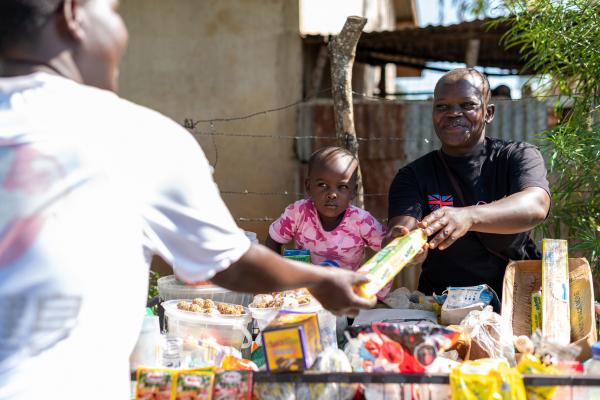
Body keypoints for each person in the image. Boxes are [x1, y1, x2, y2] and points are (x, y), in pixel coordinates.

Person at [0, 1, 374, 399]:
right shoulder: (136, 138)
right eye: (113, 11)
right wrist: (320, 280)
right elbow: (231, 265)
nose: (122, 33)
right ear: (73, 13)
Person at [386, 68, 551, 299]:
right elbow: (404, 227)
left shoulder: (517, 156)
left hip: (517, 301)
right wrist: (404, 246)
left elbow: (536, 205)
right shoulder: (413, 175)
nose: (453, 113)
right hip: (441, 305)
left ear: (488, 112)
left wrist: (467, 217)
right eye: (442, 106)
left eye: (467, 105)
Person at [266, 147, 389, 298]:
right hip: (304, 295)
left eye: (342, 187)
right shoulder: (298, 213)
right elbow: (274, 239)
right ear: (308, 187)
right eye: (322, 185)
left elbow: (389, 249)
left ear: (353, 191)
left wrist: (372, 289)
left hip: (347, 295)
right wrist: (274, 280)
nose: (332, 194)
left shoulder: (361, 221)